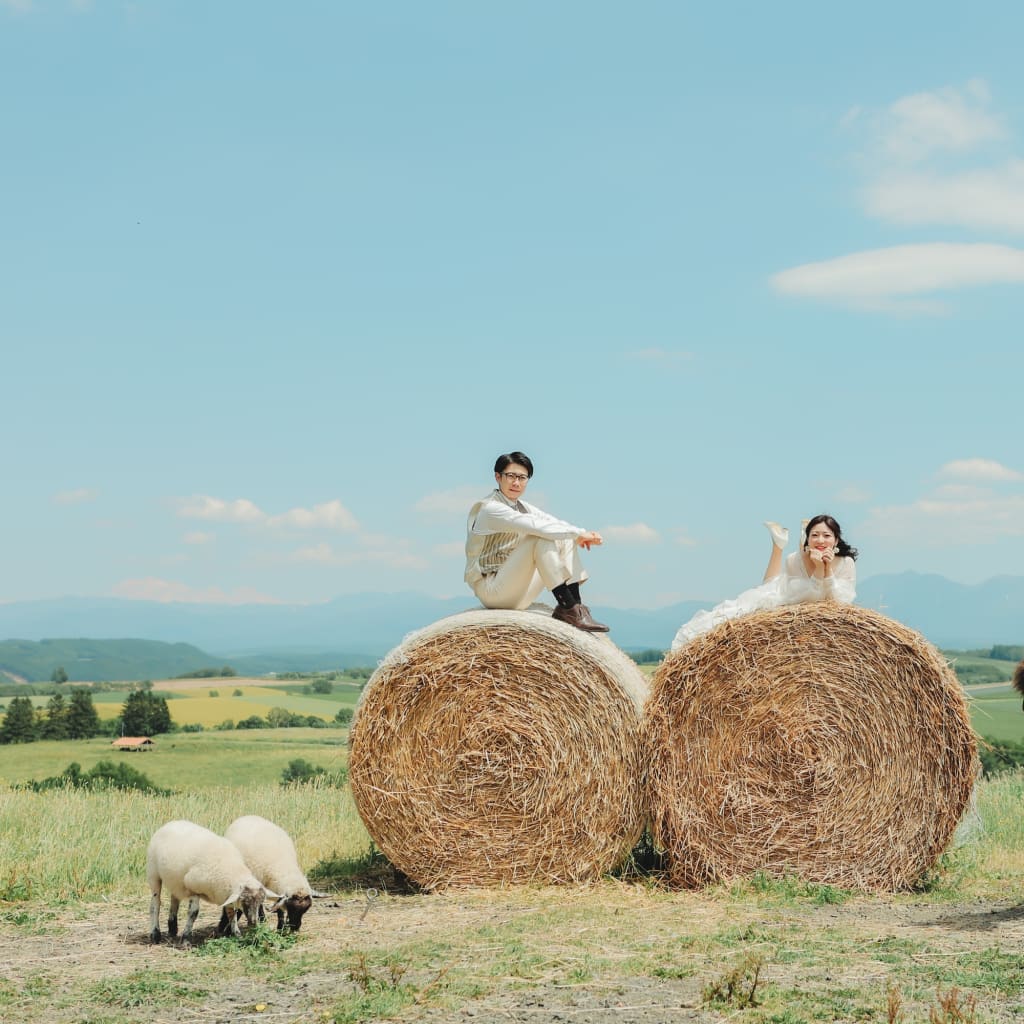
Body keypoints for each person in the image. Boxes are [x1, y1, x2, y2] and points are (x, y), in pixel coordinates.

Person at [464, 451, 610, 632]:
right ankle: (567, 605)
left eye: (522, 477)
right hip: (492, 590)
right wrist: (578, 534)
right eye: (511, 476)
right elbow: (534, 525)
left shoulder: (522, 507)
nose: (516, 482)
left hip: (516, 591)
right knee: (539, 537)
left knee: (563, 537)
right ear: (498, 477)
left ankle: (574, 607)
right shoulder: (490, 509)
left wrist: (580, 534)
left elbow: (551, 522)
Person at [671, 514, 858, 649]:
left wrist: (826, 570)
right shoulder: (794, 560)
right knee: (768, 586)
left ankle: (778, 543)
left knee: (768, 581)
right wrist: (818, 568)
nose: (820, 540)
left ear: (836, 540)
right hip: (787, 596)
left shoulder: (846, 563)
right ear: (808, 540)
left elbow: (838, 602)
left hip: (806, 589)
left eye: (827, 536)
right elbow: (805, 599)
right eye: (814, 535)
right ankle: (778, 544)